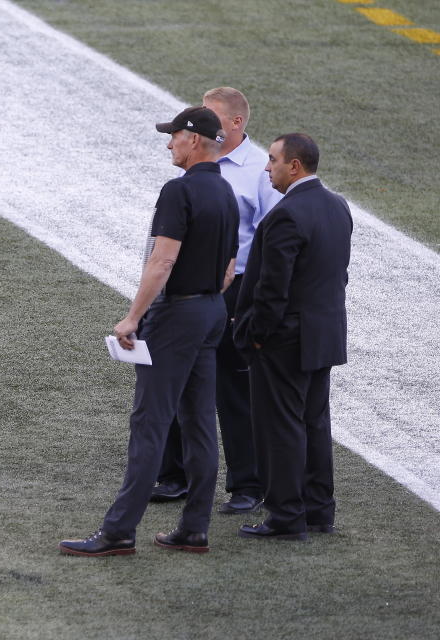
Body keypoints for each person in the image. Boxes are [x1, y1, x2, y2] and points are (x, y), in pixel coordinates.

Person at [59, 107, 238, 556]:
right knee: (199, 423)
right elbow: (228, 273)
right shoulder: (228, 194)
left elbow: (162, 261)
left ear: (194, 140)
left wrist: (132, 317)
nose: (168, 144)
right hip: (212, 312)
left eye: (174, 136)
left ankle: (119, 531)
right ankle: (194, 528)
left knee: (150, 423)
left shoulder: (178, 191)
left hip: (178, 317)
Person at [151, 88, 282, 515]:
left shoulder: (260, 171)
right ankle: (175, 475)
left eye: (210, 114)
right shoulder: (195, 168)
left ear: (236, 123)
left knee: (233, 388)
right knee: (174, 379)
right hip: (191, 285)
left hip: (238, 287)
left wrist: (254, 299)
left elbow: (272, 238)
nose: (199, 121)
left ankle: (247, 483)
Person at [233, 133, 352, 540]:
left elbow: (272, 288)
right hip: (324, 335)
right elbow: (339, 275)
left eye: (272, 160)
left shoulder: (286, 214)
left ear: (294, 166)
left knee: (281, 427)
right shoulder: (338, 206)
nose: (267, 168)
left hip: (286, 340)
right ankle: (319, 513)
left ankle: (286, 516)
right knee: (315, 424)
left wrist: (257, 335)